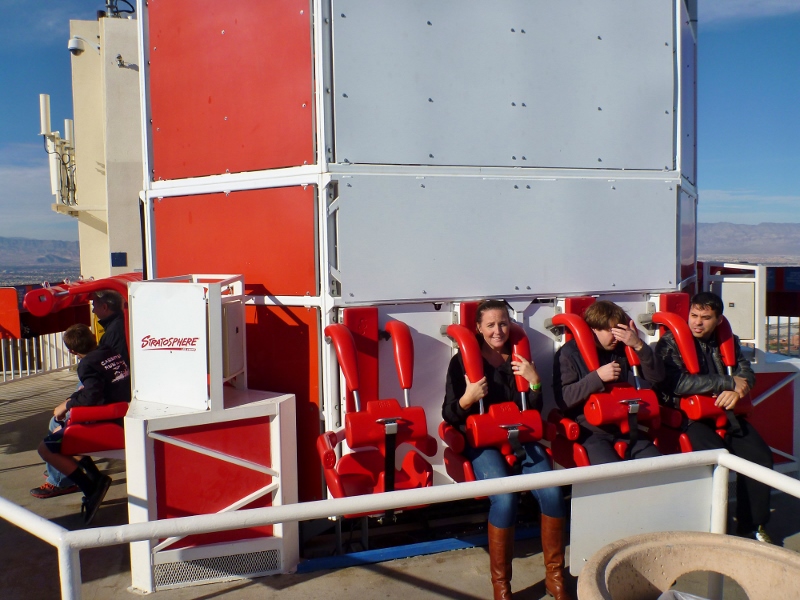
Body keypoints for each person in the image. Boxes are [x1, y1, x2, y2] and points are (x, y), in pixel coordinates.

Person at [443, 300, 570, 600]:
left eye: (503, 323)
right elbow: (448, 413)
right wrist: (468, 398)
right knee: (505, 498)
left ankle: (555, 578)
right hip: (483, 442)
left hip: (520, 436)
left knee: (553, 493)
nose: (498, 330)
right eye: (490, 325)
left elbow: (534, 409)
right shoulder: (461, 362)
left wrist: (535, 382)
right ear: (478, 328)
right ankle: (502, 586)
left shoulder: (519, 358)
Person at [655, 292, 773, 542]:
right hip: (688, 418)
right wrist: (728, 382)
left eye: (706, 318)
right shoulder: (670, 342)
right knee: (717, 460)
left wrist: (738, 391)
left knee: (760, 457)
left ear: (718, 320)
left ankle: (752, 527)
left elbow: (746, 374)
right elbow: (677, 383)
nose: (698, 322)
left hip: (725, 413)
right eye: (694, 315)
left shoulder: (727, 340)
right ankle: (713, 529)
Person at [30, 324, 130, 525]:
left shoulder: (87, 365)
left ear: (72, 352)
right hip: (120, 414)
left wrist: (68, 406)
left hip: (109, 422)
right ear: (93, 336)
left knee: (46, 448)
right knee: (60, 431)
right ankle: (94, 477)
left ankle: (90, 488)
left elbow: (91, 396)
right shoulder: (109, 352)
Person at [553, 300, 664, 464]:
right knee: (610, 472)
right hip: (590, 431)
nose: (616, 337)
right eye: (610, 330)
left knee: (658, 465)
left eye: (618, 330)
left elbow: (656, 377)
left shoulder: (622, 348)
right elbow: (564, 399)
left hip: (625, 425)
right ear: (593, 329)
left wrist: (639, 345)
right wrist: (597, 377)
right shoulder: (569, 353)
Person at [91, 289, 129, 365]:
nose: (93, 311)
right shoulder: (123, 322)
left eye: (94, 306)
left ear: (104, 307)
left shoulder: (113, 331)